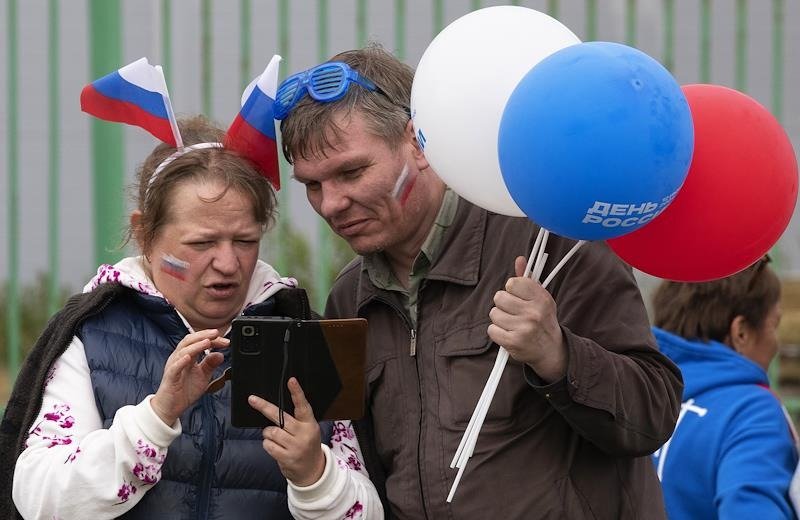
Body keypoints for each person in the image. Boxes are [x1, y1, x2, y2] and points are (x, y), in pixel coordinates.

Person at [277, 43, 684, 518]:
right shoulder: (351, 296)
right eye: (312, 184)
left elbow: (652, 414)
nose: (330, 204)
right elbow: (364, 470)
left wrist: (558, 355)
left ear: (417, 141)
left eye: (351, 172)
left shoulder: (548, 244)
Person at [1, 116, 382, 519]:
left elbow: (369, 513)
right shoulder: (92, 337)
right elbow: (39, 499)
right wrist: (154, 420)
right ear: (145, 234)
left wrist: (315, 475)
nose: (227, 263)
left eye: (245, 241)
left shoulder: (306, 335)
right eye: (202, 243)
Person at [650, 255, 799, 519]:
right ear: (741, 332)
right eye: (773, 325)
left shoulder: (633, 395)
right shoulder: (750, 411)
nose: (776, 343)